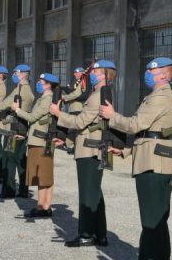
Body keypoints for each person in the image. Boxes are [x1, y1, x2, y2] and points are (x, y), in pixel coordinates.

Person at [99, 58, 172, 260]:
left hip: (154, 164)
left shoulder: (160, 97)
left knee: (151, 219)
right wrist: (125, 152)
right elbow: (148, 134)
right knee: (157, 219)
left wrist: (111, 116)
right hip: (152, 158)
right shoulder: (157, 96)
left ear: (163, 75)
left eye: (152, 70)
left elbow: (136, 125)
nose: (148, 73)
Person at [50, 60, 117, 247]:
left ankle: (87, 233)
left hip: (89, 149)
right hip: (90, 145)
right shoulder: (99, 93)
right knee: (95, 192)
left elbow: (80, 122)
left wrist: (57, 114)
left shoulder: (97, 96)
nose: (92, 73)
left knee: (88, 193)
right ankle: (100, 233)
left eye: (95, 70)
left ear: (104, 74)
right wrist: (67, 140)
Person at [0, 64, 34, 199]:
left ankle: (8, 190)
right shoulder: (26, 89)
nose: (14, 75)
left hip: (13, 129)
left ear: (23, 74)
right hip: (21, 127)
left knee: (8, 159)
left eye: (16, 73)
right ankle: (23, 190)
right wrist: (0, 120)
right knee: (21, 160)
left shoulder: (20, 90)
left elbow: (5, 105)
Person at [15, 73, 60, 218]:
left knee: (43, 175)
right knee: (44, 175)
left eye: (41, 82)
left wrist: (17, 110)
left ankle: (43, 206)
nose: (38, 84)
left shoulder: (47, 99)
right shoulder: (44, 98)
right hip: (39, 140)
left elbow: (32, 117)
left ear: (48, 84)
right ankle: (44, 205)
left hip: (40, 141)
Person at [59, 67, 88, 153]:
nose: (74, 74)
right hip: (73, 107)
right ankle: (73, 147)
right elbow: (72, 92)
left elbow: (76, 94)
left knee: (75, 129)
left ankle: (71, 146)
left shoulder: (82, 82)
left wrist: (64, 98)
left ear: (81, 73)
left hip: (78, 108)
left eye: (76, 72)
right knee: (74, 129)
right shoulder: (77, 82)